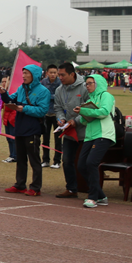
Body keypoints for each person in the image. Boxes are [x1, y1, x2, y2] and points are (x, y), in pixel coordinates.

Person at [0, 64, 51, 196]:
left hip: (32, 129)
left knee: (34, 159)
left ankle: (35, 187)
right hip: (20, 128)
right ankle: (20, 184)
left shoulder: (43, 91)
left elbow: (42, 110)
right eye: (23, 73)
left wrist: (24, 108)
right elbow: (11, 100)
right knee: (21, 159)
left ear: (35, 75)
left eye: (27, 73)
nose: (23, 76)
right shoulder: (21, 88)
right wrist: (3, 94)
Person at [75, 75, 116, 208]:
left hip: (104, 133)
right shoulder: (89, 100)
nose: (87, 86)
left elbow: (104, 112)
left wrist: (84, 110)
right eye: (86, 84)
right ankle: (101, 195)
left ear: (97, 83)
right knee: (81, 165)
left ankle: (92, 197)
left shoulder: (106, 96)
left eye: (90, 83)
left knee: (91, 162)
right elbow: (84, 121)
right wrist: (82, 113)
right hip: (90, 135)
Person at [53, 62, 89, 199]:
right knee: (67, 160)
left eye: (63, 75)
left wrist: (76, 121)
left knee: (85, 163)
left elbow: (89, 108)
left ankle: (92, 189)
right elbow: (57, 108)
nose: (60, 78)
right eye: (59, 75)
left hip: (85, 132)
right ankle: (71, 188)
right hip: (69, 133)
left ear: (72, 74)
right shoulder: (59, 90)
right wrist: (61, 119)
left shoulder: (85, 88)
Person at [40, 65, 62, 168]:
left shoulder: (60, 83)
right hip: (46, 113)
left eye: (55, 72)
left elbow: (60, 97)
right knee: (45, 138)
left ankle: (57, 161)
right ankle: (45, 160)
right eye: (51, 72)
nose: (53, 74)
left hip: (57, 114)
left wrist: (48, 96)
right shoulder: (43, 82)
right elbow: (41, 95)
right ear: (47, 73)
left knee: (58, 139)